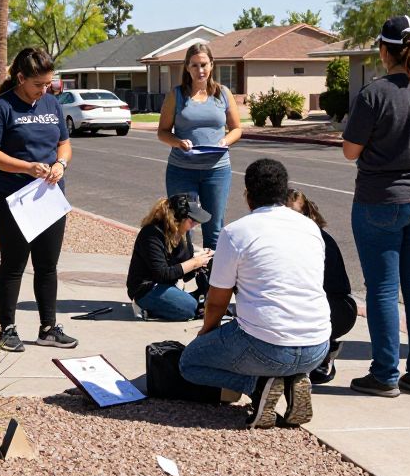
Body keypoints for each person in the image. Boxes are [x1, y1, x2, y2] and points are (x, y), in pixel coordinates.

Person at [342, 15, 410, 398]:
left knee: (384, 290)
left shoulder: (373, 94)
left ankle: (385, 373)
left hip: (381, 200)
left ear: (383, 50)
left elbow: (349, 151)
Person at [180, 159, 330, 430]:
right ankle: (292, 382)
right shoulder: (311, 228)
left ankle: (259, 386)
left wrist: (208, 332)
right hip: (317, 347)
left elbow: (217, 300)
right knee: (270, 346)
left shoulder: (236, 232)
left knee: (189, 363)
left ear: (248, 195)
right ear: (286, 194)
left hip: (267, 345)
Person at [0, 48, 76, 353]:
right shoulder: (1, 108)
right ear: (21, 78)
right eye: (38, 85)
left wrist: (61, 164)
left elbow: (64, 144)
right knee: (13, 263)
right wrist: (27, 167)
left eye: (48, 85)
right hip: (12, 196)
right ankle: (7, 328)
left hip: (49, 196)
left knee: (47, 265)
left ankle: (48, 328)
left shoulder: (51, 104)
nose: (44, 90)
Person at [157, 42, 242, 250]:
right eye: (194, 65)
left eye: (204, 64)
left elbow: (237, 129)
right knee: (182, 225)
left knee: (214, 227)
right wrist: (178, 142)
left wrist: (225, 141)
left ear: (212, 65)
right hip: (182, 170)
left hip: (217, 171)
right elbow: (162, 132)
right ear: (187, 67)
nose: (200, 70)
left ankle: (210, 279)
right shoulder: (176, 95)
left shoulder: (223, 93)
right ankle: (180, 275)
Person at [286, 190, 357, 384]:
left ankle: (324, 349)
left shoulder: (318, 240)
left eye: (294, 214)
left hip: (335, 309)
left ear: (307, 215)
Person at [126, 194, 214, 320]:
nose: (196, 223)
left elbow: (184, 274)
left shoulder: (183, 232)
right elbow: (162, 274)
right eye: (192, 220)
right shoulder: (152, 234)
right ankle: (145, 307)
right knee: (189, 308)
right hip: (147, 288)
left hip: (167, 285)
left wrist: (202, 261)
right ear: (177, 219)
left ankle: (178, 302)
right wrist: (194, 263)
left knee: (206, 300)